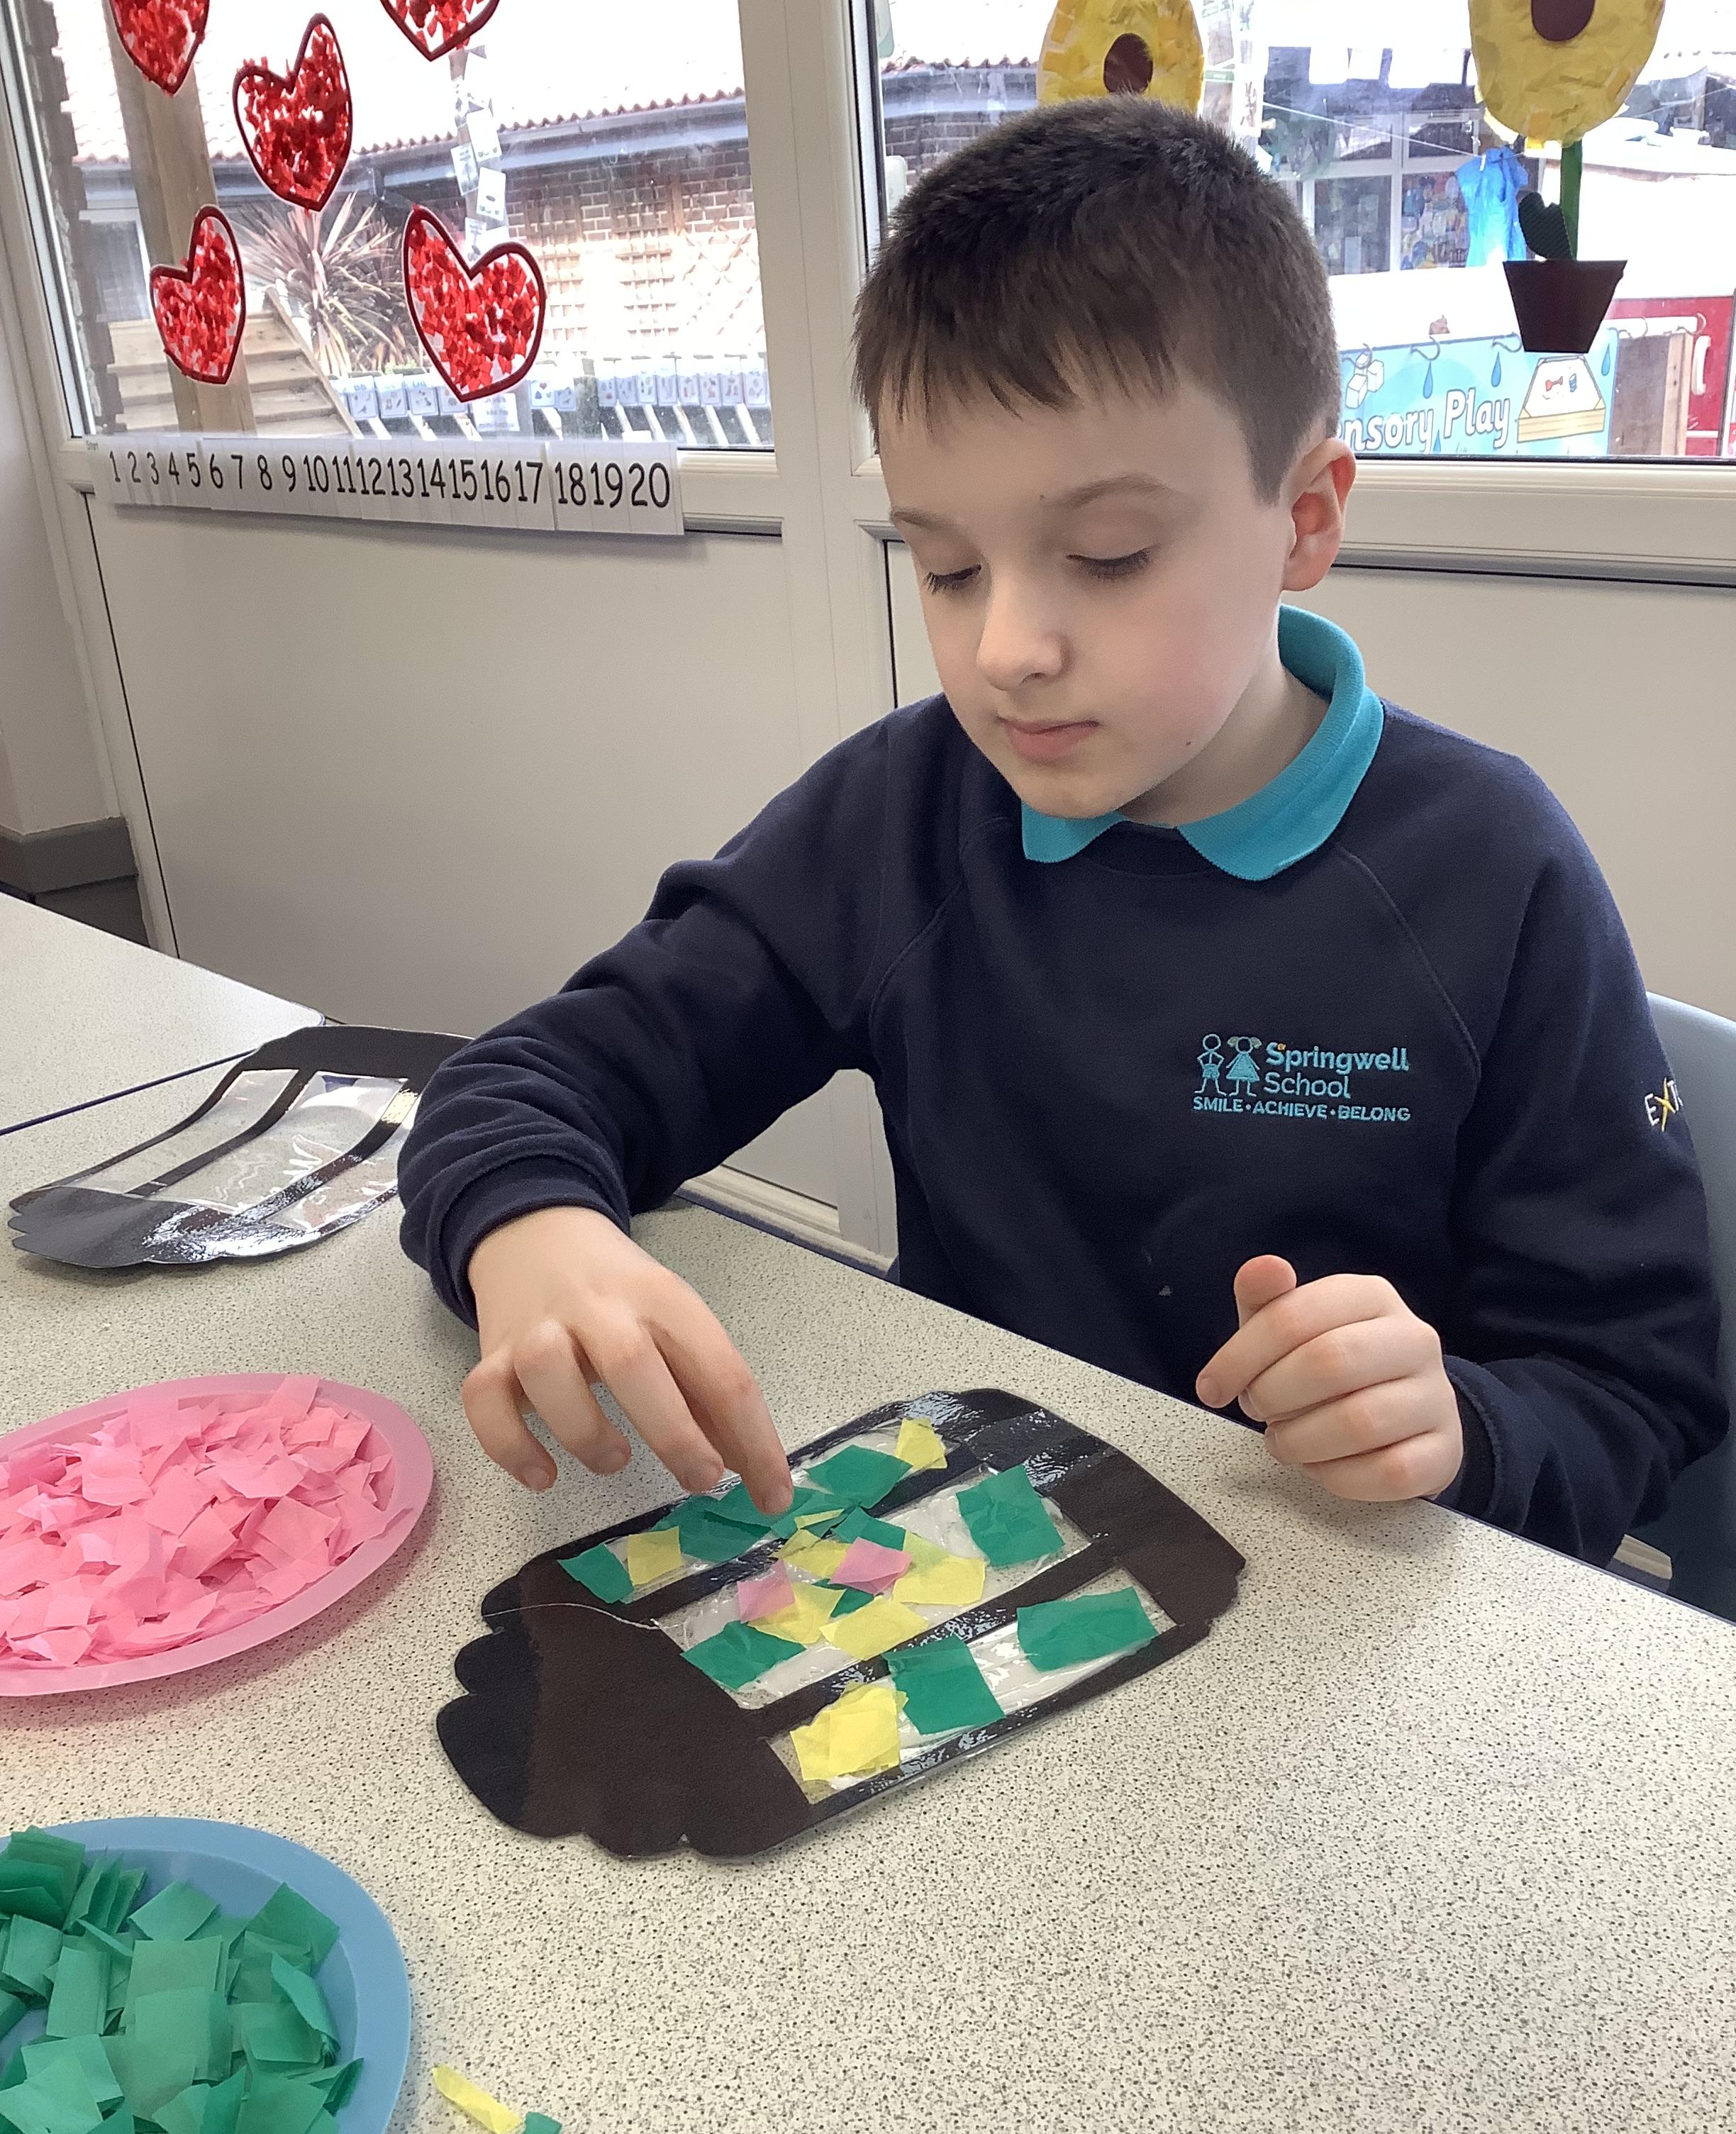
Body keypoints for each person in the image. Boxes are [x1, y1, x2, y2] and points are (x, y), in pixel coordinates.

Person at [399, 101, 1725, 1569]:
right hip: (968, 1577)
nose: (1007, 649)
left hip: (1341, 1604)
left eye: (1107, 556)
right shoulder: (902, 816)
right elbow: (528, 1082)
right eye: (947, 566)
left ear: (1303, 519)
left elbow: (1637, 1386)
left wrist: (1463, 1428)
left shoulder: (1491, 871)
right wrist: (532, 1231)